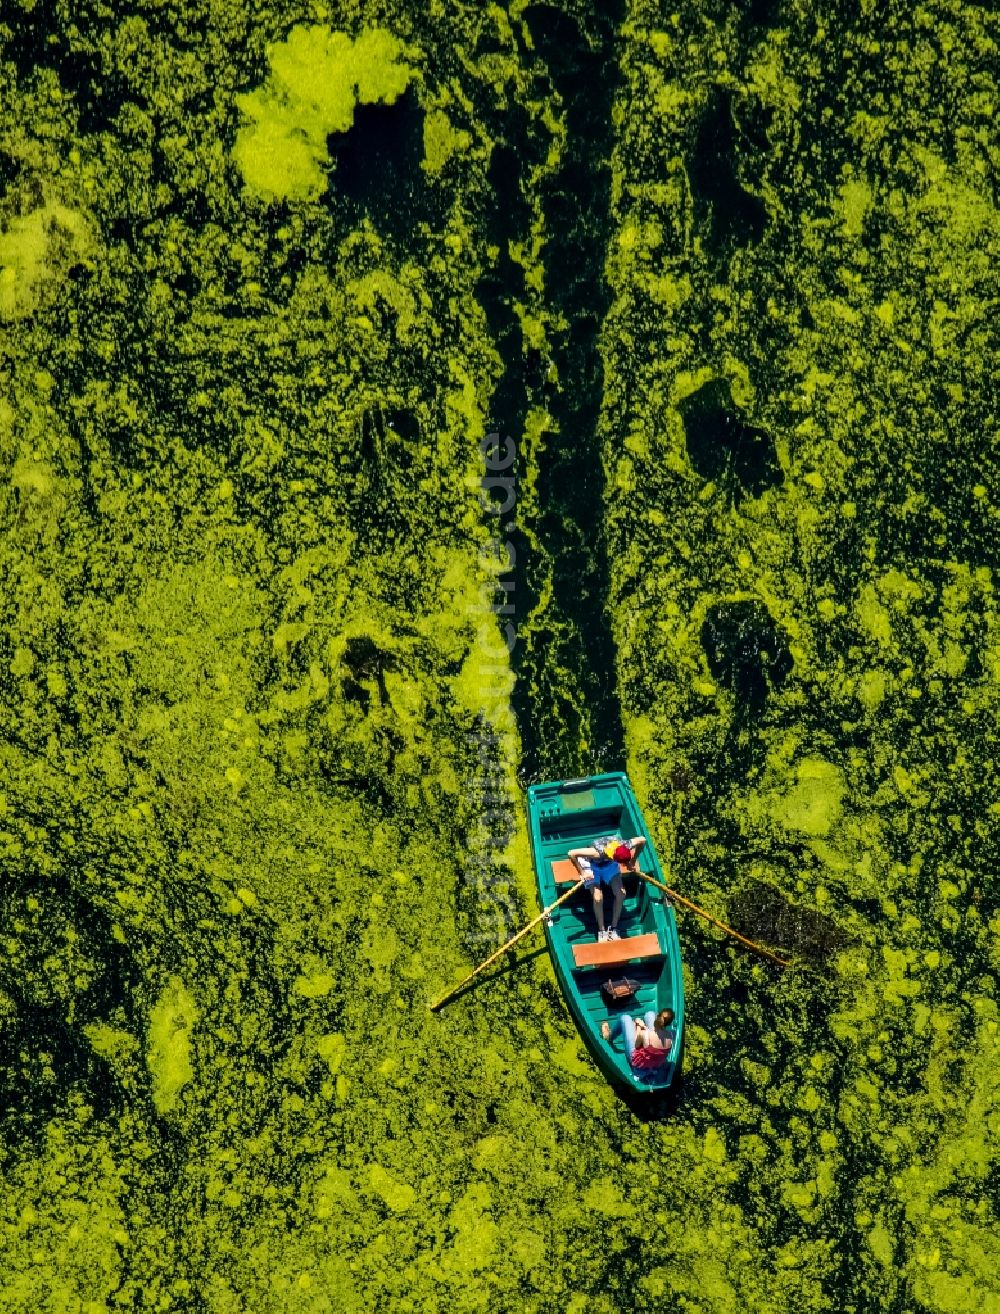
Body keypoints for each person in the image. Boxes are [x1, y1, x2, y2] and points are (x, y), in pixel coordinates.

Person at [567, 833, 647, 942]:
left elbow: (642, 840)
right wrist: (582, 872)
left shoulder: (625, 845)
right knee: (598, 897)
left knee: (621, 894)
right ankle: (601, 930)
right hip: (591, 864)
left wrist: (632, 861)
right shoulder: (596, 853)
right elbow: (571, 853)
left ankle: (613, 928)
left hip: (609, 864)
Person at [601, 1008, 675, 1070]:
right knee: (650, 1014)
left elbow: (637, 1046)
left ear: (658, 1017)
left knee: (625, 1018)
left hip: (638, 1062)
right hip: (655, 1064)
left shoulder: (646, 1034)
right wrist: (645, 1028)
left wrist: (639, 1026)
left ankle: (609, 1036)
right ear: (668, 1024)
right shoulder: (670, 1036)